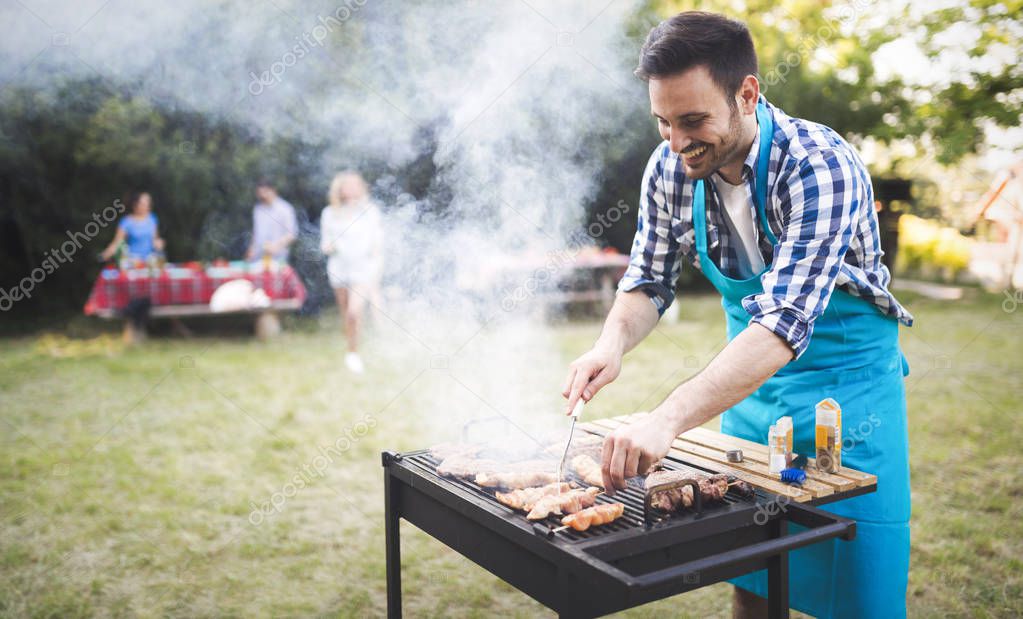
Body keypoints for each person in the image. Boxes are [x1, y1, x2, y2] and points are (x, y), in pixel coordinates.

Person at [562, 12, 912, 619]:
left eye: (692, 120)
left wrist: (667, 420)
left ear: (747, 93)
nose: (675, 142)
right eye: (663, 122)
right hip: (748, 399)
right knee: (754, 578)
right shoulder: (672, 165)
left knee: (859, 589)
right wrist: (610, 344)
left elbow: (781, 324)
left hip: (848, 399)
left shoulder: (819, 165)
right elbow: (647, 279)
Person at [319, 171, 383, 374]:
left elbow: (377, 242)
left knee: (354, 313)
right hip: (339, 269)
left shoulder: (370, 211)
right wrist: (330, 247)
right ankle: (352, 350)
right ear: (340, 189)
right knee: (346, 314)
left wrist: (375, 263)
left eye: (356, 185)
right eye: (348, 185)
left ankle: (354, 354)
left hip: (362, 270)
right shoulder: (329, 213)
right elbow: (325, 244)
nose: (353, 189)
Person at [100, 191, 165, 262]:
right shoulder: (126, 221)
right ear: (135, 204)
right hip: (132, 262)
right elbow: (117, 243)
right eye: (143, 204)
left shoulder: (152, 218)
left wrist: (158, 243)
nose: (147, 206)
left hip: (149, 261)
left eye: (148, 203)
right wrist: (104, 255)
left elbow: (155, 239)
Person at [245, 179, 297, 263]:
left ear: (273, 190)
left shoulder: (285, 209)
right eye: (260, 194)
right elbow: (255, 233)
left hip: (278, 259)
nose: (263, 196)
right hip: (258, 258)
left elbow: (291, 234)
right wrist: (251, 249)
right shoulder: (258, 209)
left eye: (265, 192)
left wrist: (276, 246)